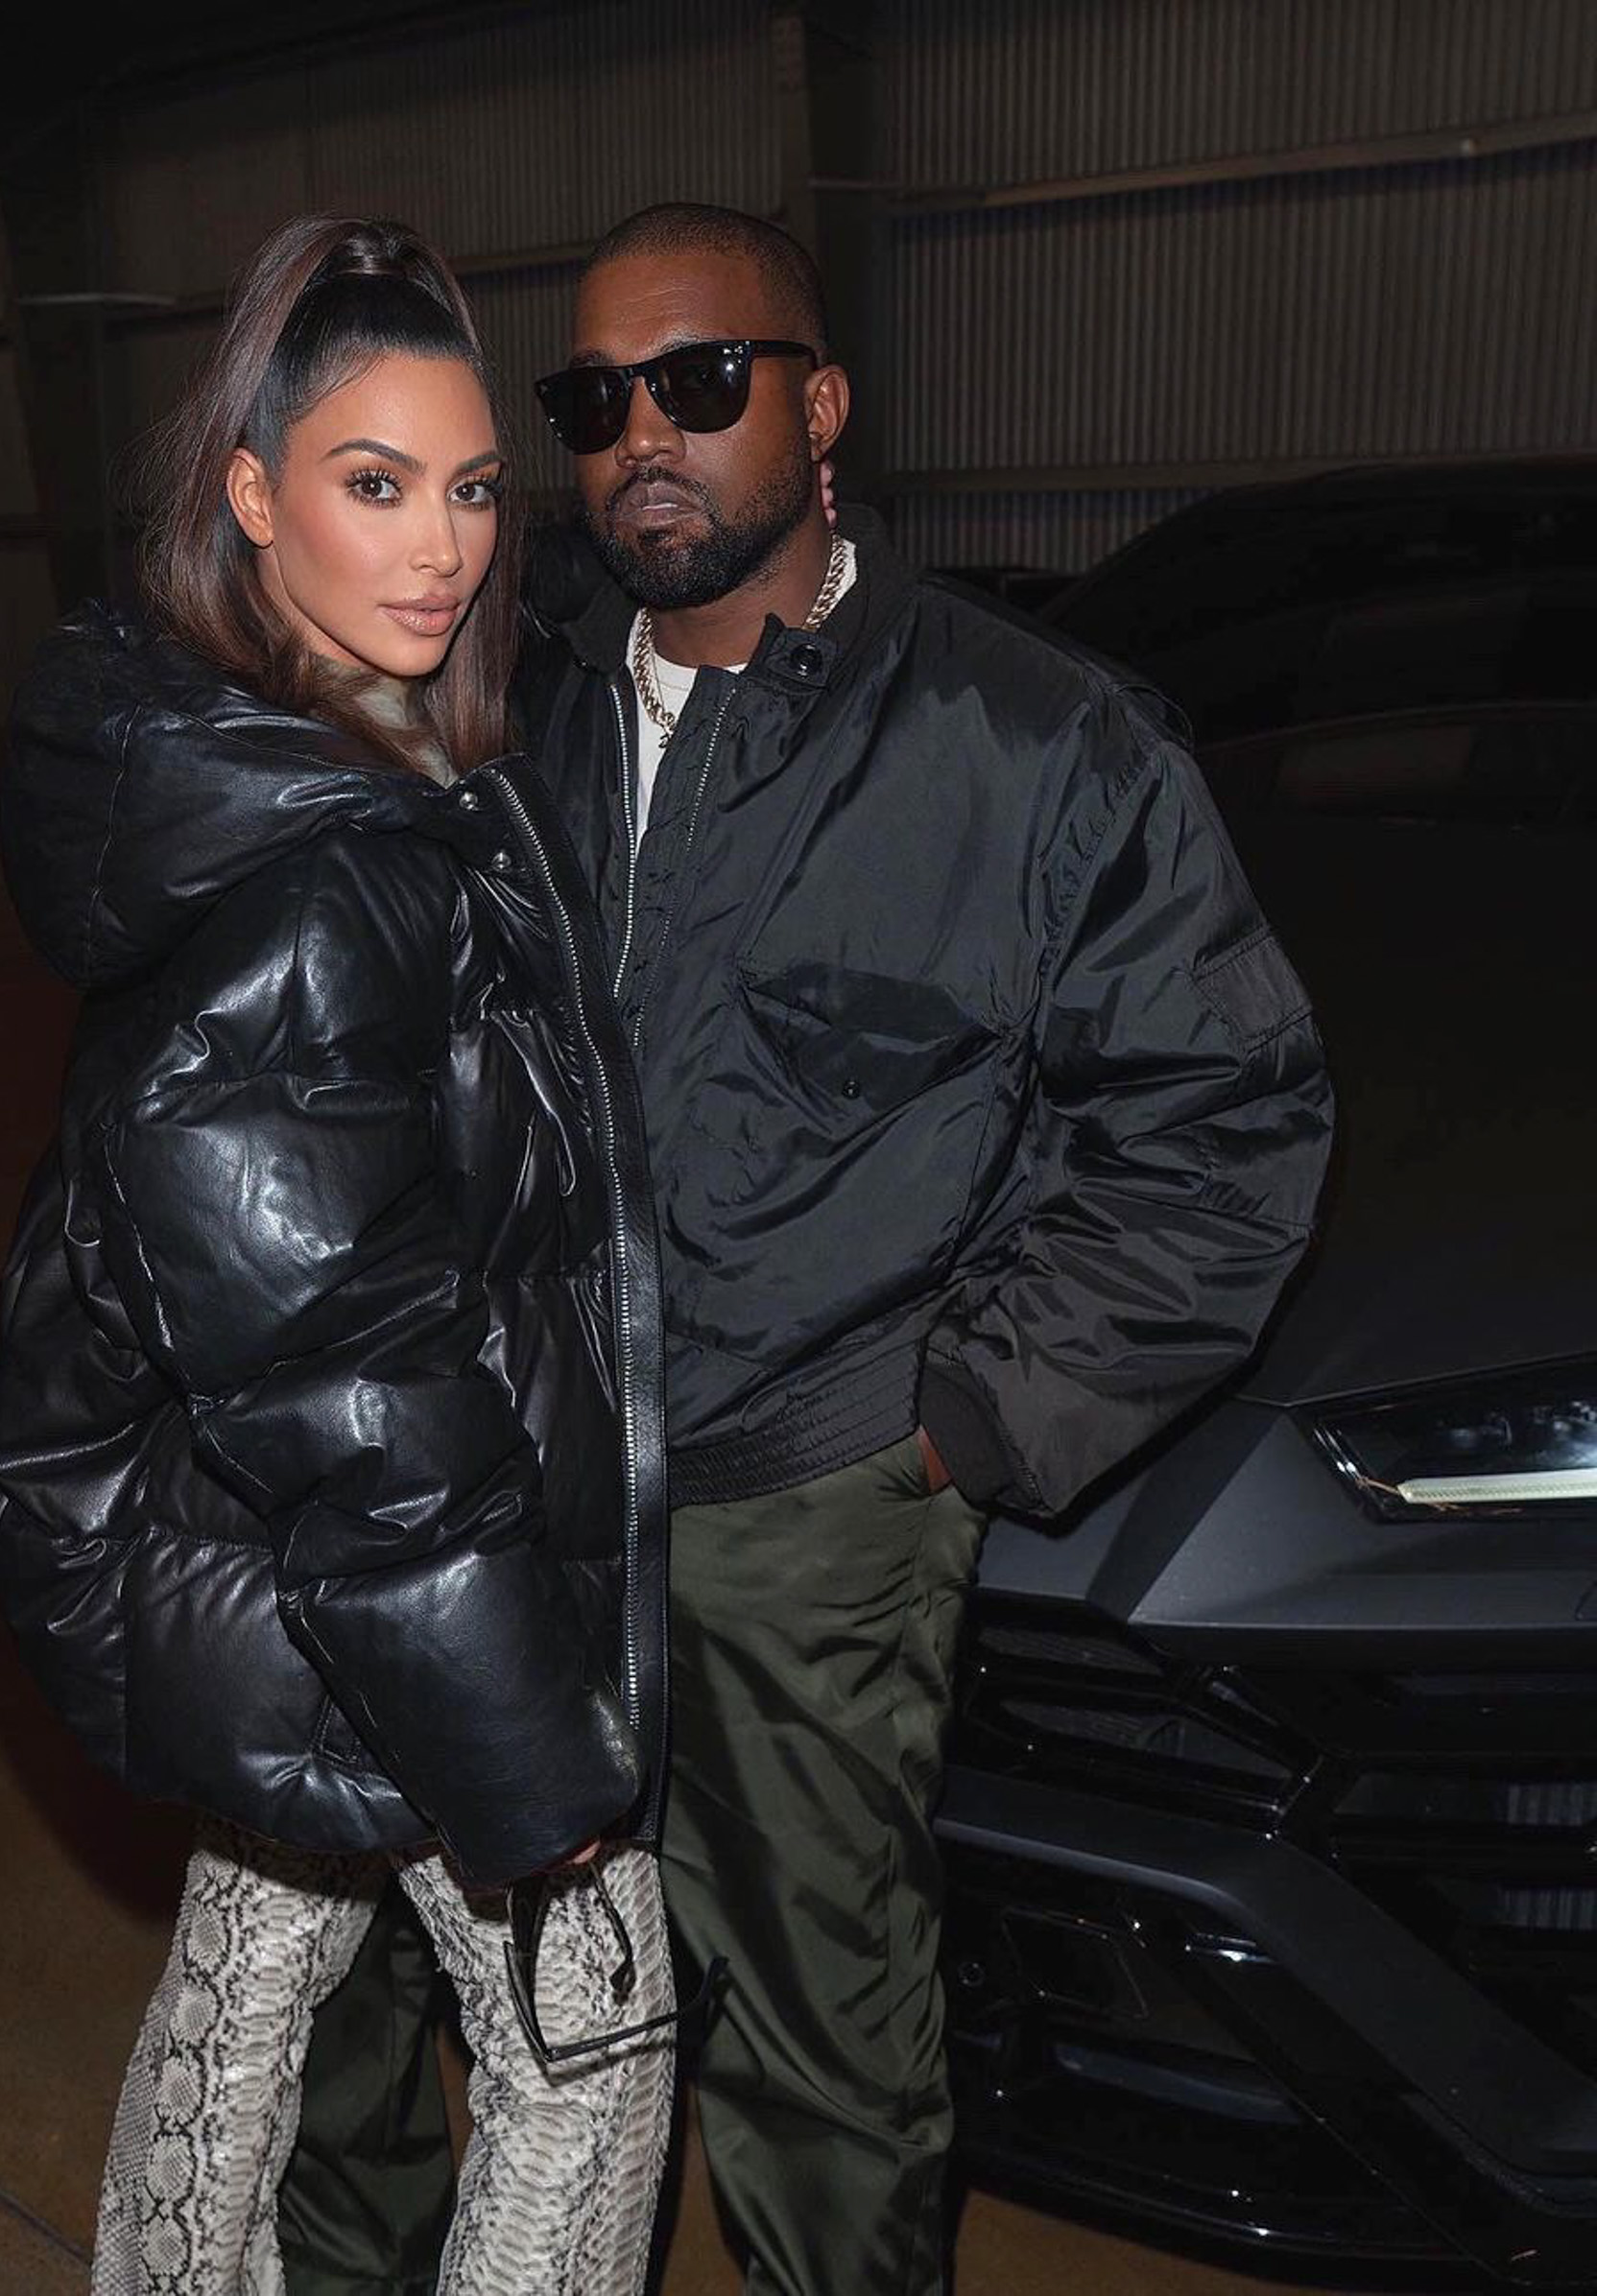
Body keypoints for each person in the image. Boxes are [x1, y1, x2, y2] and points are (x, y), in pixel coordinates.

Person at [275, 201, 1336, 2295]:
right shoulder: (505, 714)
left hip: (799, 1516)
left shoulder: (1030, 748)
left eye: (699, 381)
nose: (641, 438)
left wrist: (954, 1429)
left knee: (819, 2062)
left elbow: (1227, 1128)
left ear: (819, 401)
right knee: (372, 2003)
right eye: (590, 403)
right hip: (494, 1486)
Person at [0, 214, 680, 2296]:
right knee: (597, 2040)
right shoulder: (314, 872)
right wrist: (540, 1778)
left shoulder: (318, 765)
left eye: (471, 488)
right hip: (359, 1545)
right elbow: (353, 1385)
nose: (444, 546)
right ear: (251, 494)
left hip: (250, 1552)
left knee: (251, 1962)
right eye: (374, 484)